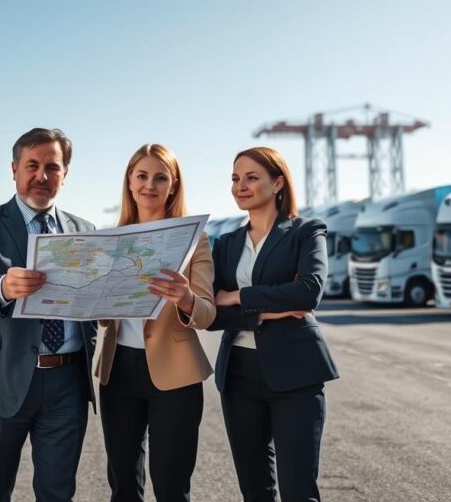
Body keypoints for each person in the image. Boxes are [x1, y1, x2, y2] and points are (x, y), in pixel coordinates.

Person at [0, 127, 96, 502]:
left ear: (65, 174)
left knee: (57, 493)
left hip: (67, 382)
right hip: (0, 378)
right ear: (14, 169)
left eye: (52, 167)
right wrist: (3, 286)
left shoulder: (85, 231)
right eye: (32, 165)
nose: (41, 176)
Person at [208, 146, 339, 502]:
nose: (240, 186)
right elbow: (213, 313)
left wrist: (240, 296)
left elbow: (308, 291)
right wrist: (269, 309)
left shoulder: (306, 231)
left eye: (252, 178)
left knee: (299, 491)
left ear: (277, 182)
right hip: (238, 374)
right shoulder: (226, 244)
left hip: (296, 374)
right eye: (235, 179)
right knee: (255, 490)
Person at [94, 144, 216, 502]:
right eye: (142, 176)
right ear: (129, 182)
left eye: (160, 177)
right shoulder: (108, 241)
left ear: (173, 185)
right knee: (123, 487)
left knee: (172, 486)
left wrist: (186, 298)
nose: (150, 184)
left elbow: (207, 313)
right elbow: (102, 319)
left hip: (176, 375)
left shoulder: (195, 239)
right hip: (117, 372)